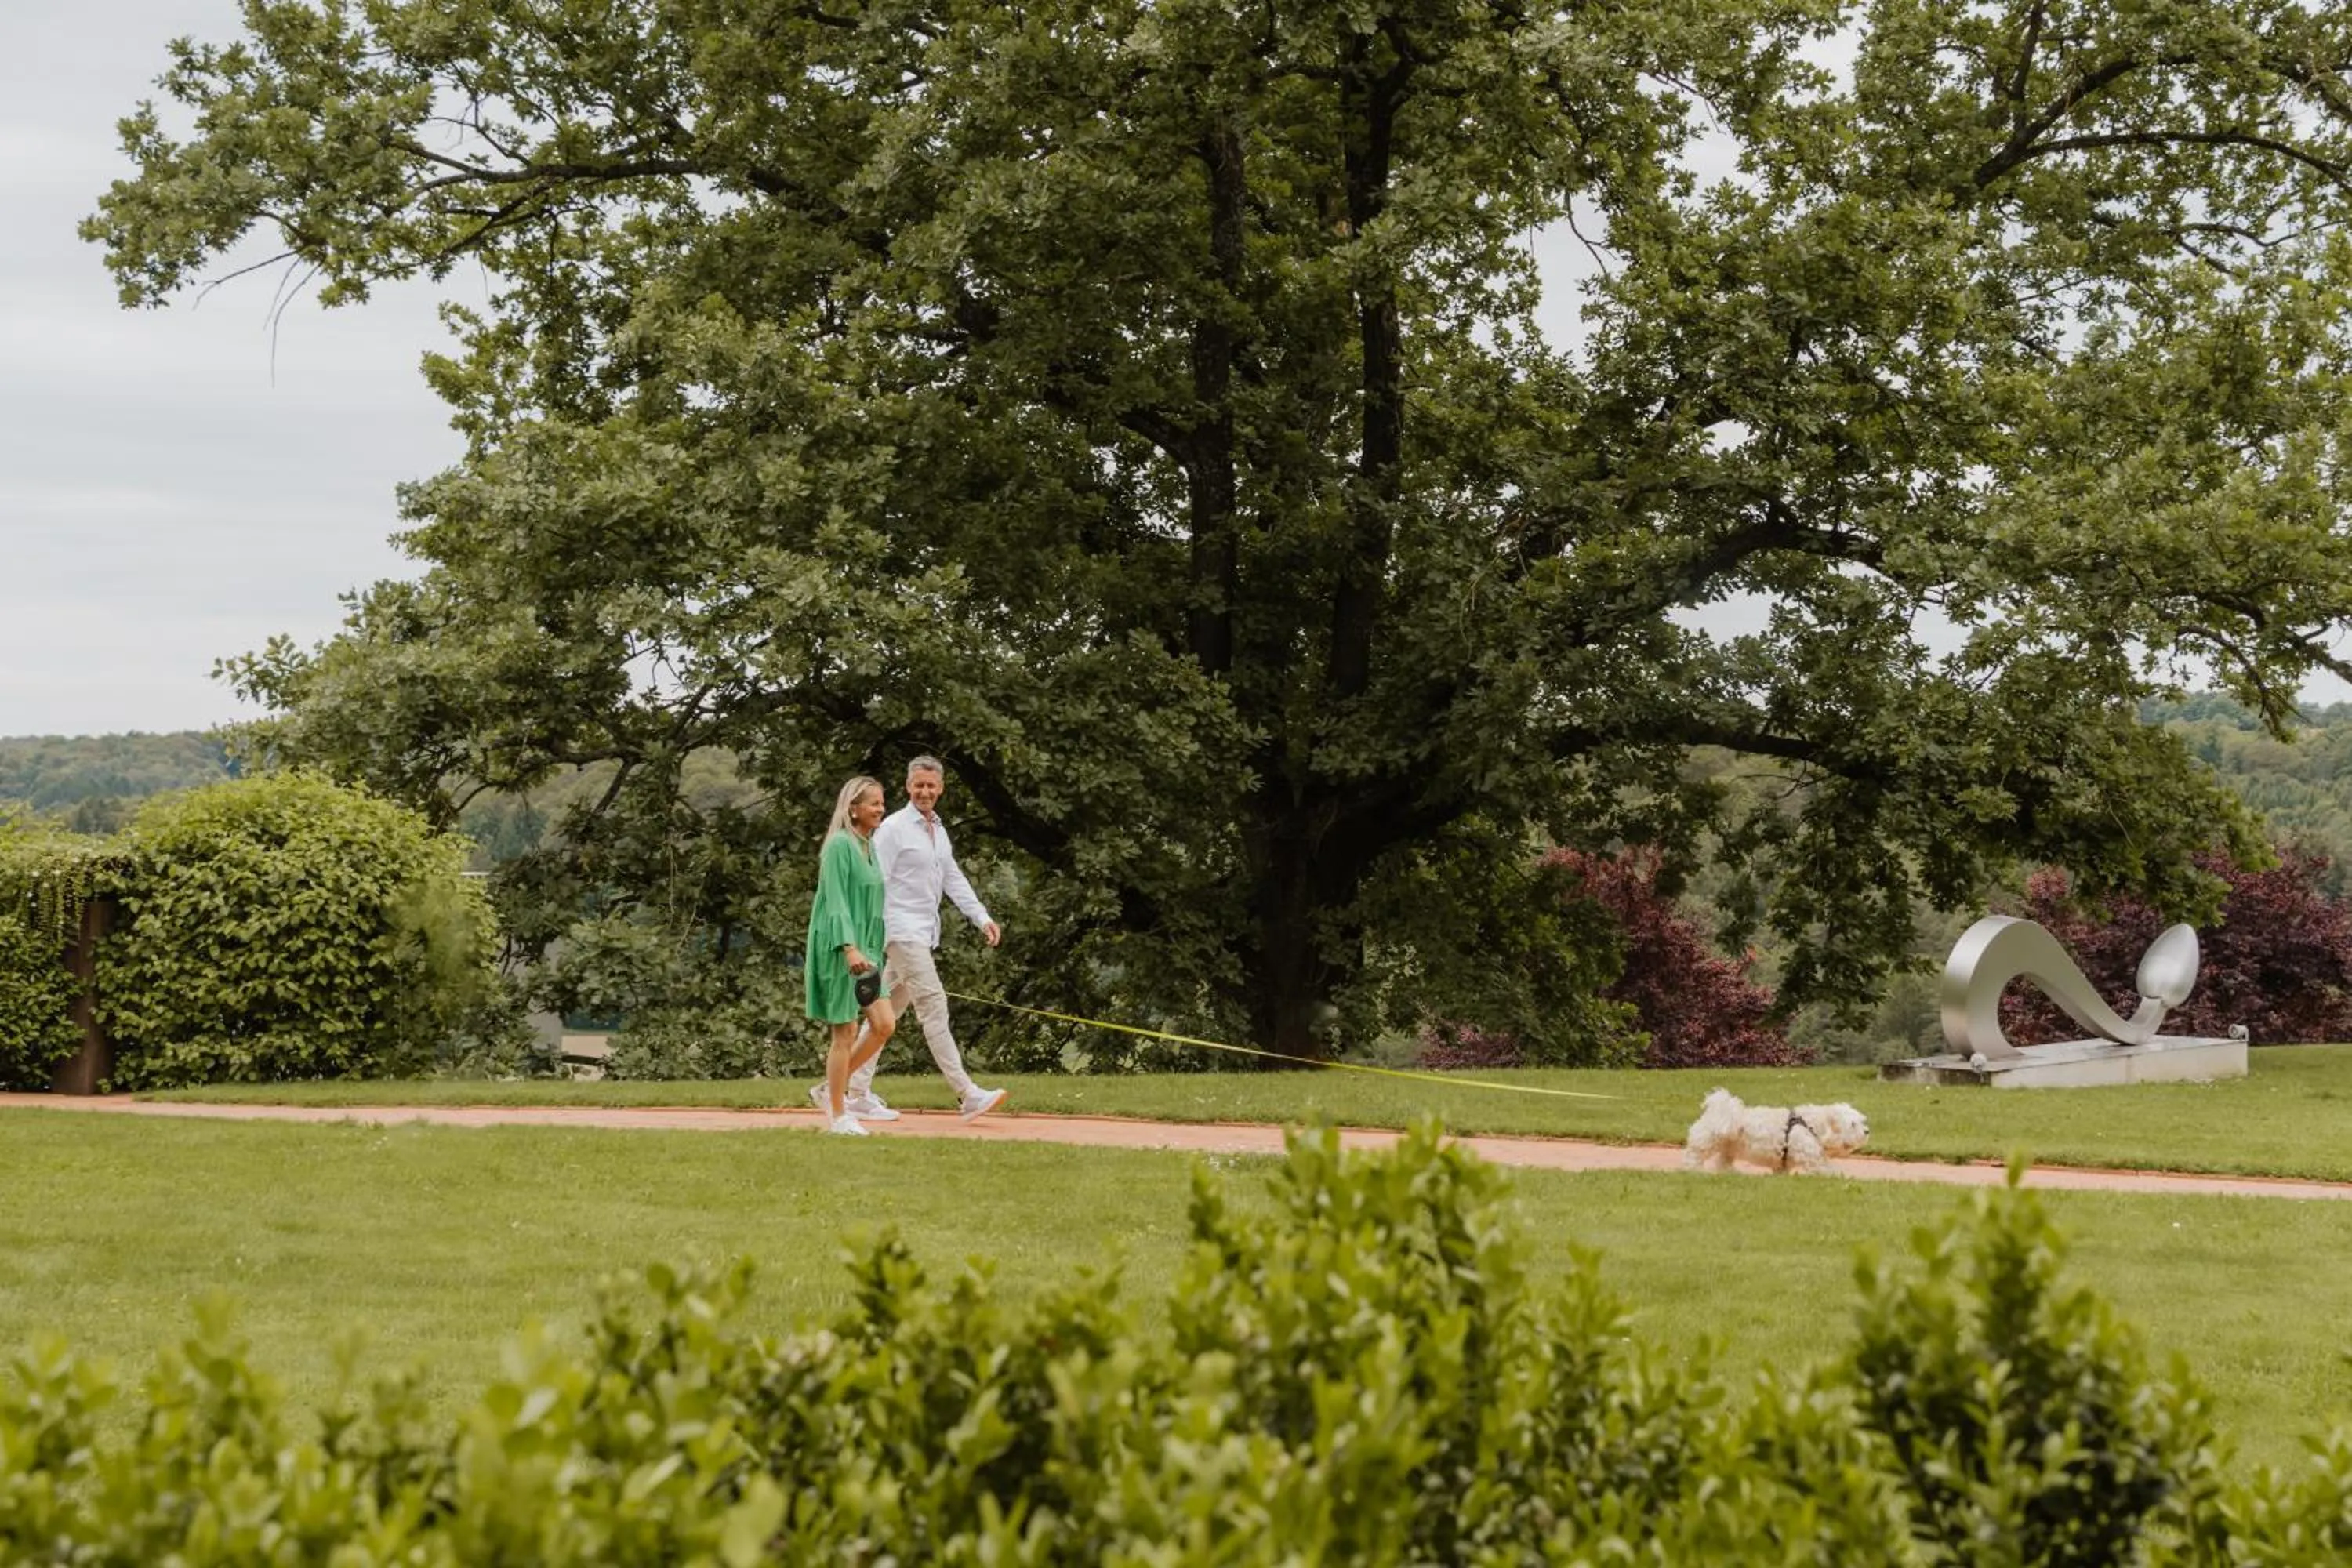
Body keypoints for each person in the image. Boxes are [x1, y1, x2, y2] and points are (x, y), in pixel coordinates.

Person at [818, 755, 1008, 1122]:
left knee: (887, 1017)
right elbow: (874, 882)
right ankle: (966, 1093)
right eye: (918, 785)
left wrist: (981, 916)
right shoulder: (893, 829)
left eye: (931, 785)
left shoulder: (937, 828)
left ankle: (852, 1091)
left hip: (922, 933)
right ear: (908, 787)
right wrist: (865, 940)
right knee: (934, 1006)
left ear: (941, 788)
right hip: (900, 933)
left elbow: (952, 876)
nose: (925, 791)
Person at [804, 775, 898, 1136]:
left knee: (885, 1024)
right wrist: (849, 948)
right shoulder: (839, 846)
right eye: (874, 803)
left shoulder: (868, 846)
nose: (880, 809)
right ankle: (839, 1117)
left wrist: (871, 947)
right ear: (853, 809)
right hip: (840, 947)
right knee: (845, 1031)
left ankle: (830, 1088)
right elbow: (837, 903)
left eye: (881, 802)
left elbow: (871, 904)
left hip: (867, 949)